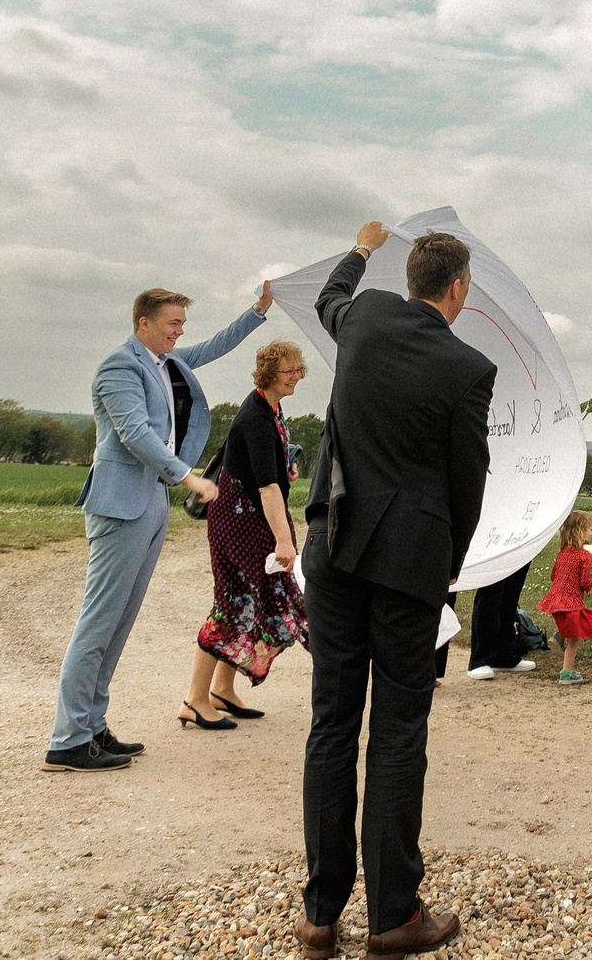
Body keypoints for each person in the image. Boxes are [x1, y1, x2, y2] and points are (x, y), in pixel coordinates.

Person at [297, 225, 493, 960]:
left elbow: (330, 296)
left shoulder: (366, 317)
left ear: (410, 276)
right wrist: (453, 559)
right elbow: (467, 480)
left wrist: (356, 247)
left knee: (331, 726)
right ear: (457, 289)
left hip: (336, 547)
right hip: (411, 562)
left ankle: (320, 914)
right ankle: (392, 915)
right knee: (398, 734)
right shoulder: (468, 368)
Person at [44, 280, 266, 772]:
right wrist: (189, 478)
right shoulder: (119, 365)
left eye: (182, 325)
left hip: (151, 502)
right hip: (121, 502)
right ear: (143, 323)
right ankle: (67, 740)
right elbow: (133, 432)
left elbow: (213, 347)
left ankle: (92, 729)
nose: (179, 333)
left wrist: (259, 310)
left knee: (120, 624)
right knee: (98, 622)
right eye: (172, 324)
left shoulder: (167, 362)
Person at [184, 339, 311, 728]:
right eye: (288, 371)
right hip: (238, 521)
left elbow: (267, 471)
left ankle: (222, 690)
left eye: (298, 370)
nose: (295, 376)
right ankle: (193, 699)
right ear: (268, 374)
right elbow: (266, 488)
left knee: (247, 604)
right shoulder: (256, 417)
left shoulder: (270, 407)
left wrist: (283, 464)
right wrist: (285, 541)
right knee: (233, 603)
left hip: (247, 519)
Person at [539, 510, 592, 681]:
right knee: (574, 638)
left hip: (556, 599)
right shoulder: (584, 555)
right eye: (590, 529)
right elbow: (584, 581)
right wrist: (588, 588)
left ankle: (558, 637)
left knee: (570, 629)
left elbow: (553, 575)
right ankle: (566, 672)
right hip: (572, 602)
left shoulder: (563, 552)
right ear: (580, 531)